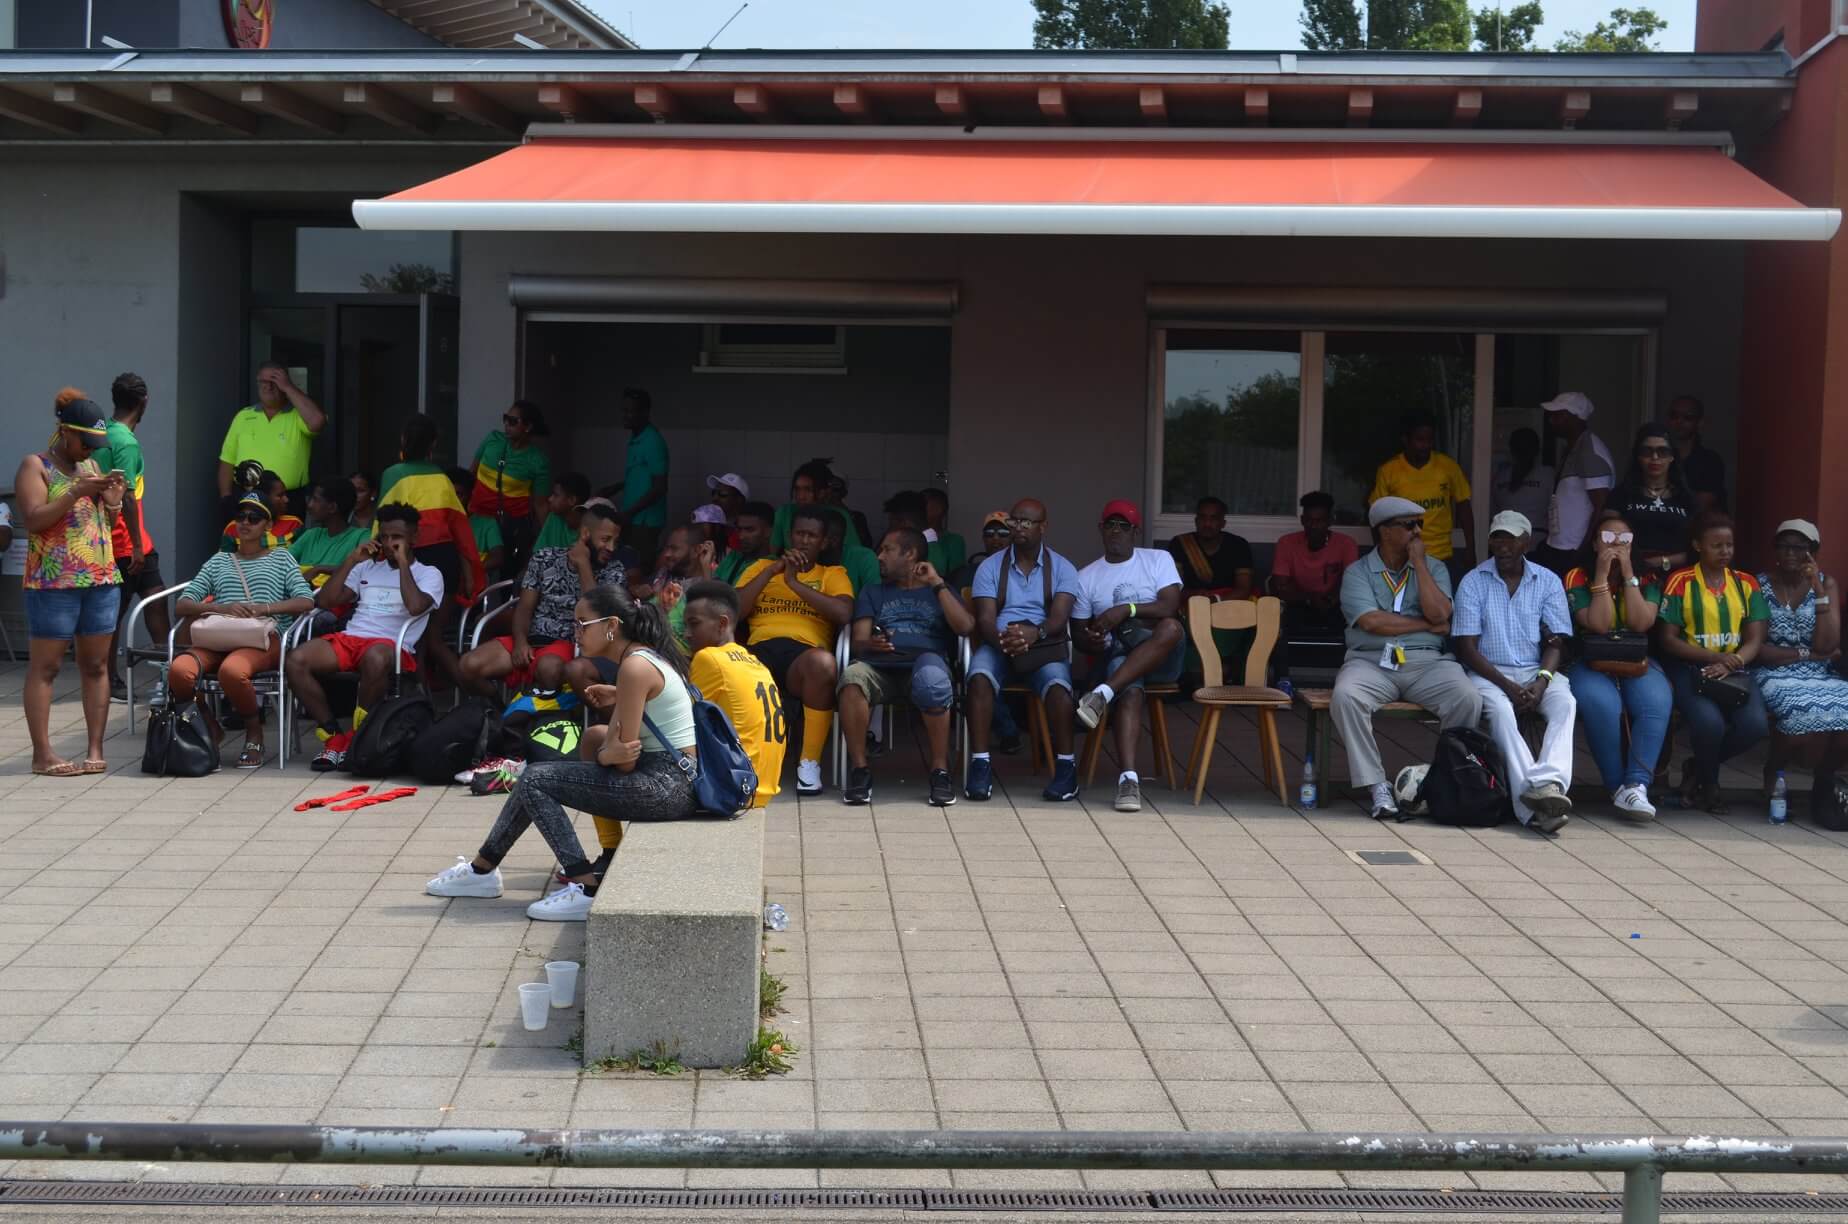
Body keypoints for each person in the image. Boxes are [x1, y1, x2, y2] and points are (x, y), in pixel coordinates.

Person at [424, 585, 698, 922]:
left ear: (611, 625)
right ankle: (482, 869)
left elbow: (623, 760)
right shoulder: (639, 660)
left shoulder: (634, 667)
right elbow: (617, 743)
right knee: (572, 752)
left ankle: (584, 887)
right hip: (670, 779)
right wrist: (613, 726)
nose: (576, 633)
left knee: (536, 779)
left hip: (664, 786)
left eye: (583, 624)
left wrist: (606, 754)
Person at [1332, 496, 1482, 820]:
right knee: (1345, 696)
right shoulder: (1358, 572)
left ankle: (1443, 780)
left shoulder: (1434, 567)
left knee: (1467, 697)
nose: (1417, 532)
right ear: (1384, 531)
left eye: (1420, 525)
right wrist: (1426, 625)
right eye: (1409, 525)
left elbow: (1441, 613)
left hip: (1428, 662)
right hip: (1371, 662)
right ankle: (1376, 785)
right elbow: (1372, 622)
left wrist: (1420, 565)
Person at [287, 503, 444, 772]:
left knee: (375, 657)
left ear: (414, 538)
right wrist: (351, 560)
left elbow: (416, 606)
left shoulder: (429, 574)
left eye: (397, 537)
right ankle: (334, 737)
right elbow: (325, 601)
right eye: (385, 536)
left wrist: (403, 563)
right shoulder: (367, 568)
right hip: (353, 638)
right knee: (296, 660)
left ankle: (358, 736)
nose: (390, 543)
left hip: (392, 645)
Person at [17, 390, 124, 777]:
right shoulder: (36, 466)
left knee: (95, 665)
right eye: (85, 442)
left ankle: (95, 748)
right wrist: (75, 492)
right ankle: (42, 755)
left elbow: (102, 525)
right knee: (46, 668)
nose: (90, 450)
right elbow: (33, 519)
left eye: (95, 444)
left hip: (101, 579)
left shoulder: (91, 465)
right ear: (65, 432)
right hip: (53, 583)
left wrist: (113, 502)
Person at [168, 492, 316, 770]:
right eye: (240, 517)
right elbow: (183, 604)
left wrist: (264, 608)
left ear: (268, 525)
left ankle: (254, 732)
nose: (245, 522)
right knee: (178, 672)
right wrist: (221, 608)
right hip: (219, 636)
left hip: (261, 638)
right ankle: (209, 726)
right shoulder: (219, 561)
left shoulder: (281, 558)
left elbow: (306, 601)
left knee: (232, 671)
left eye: (254, 517)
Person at [1452, 511, 1579, 834]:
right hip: (1488, 673)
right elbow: (1467, 649)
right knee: (1501, 714)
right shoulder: (1473, 581)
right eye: (1497, 538)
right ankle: (1536, 806)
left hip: (1536, 672)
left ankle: (1548, 784)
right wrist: (1508, 686)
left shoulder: (1547, 580)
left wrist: (1542, 681)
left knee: (1565, 703)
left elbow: (1557, 642)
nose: (1503, 546)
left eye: (1510, 539)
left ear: (1526, 542)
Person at [839, 527, 975, 807]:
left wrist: (937, 583)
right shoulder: (873, 591)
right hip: (880, 667)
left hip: (925, 663)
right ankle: (860, 770)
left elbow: (965, 627)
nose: (879, 557)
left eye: (887, 550)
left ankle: (940, 772)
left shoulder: (939, 590)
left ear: (910, 554)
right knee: (852, 678)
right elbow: (858, 643)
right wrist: (870, 644)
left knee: (933, 679)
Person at [1071, 500, 1186, 814]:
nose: (1116, 531)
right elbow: (1079, 634)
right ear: (1101, 529)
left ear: (1136, 531)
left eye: (1124, 526)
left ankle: (1102, 694)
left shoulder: (1157, 559)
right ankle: (1129, 781)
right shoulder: (1086, 577)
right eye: (1110, 524)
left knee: (1171, 627)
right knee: (1129, 688)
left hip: (1164, 659)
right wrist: (1092, 640)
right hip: (1118, 659)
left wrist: (1126, 609)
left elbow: (1169, 606)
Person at [966, 498, 1083, 803]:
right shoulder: (990, 567)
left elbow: (1058, 620)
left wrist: (1034, 634)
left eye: (1026, 522)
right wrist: (1008, 642)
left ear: (1043, 527)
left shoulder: (1063, 568)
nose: (1018, 527)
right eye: (1014, 521)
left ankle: (1066, 768)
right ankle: (980, 764)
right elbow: (985, 620)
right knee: (978, 678)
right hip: (1000, 641)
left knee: (1059, 688)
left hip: (1044, 644)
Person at [1656, 511, 1770, 813]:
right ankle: (1710, 787)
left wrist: (1731, 662)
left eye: (1729, 545)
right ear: (1697, 545)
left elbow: (1755, 639)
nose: (1725, 552)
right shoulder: (1680, 581)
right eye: (1716, 545)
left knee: (1755, 727)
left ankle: (1698, 767)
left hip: (1735, 670)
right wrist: (1714, 658)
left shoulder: (1746, 583)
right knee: (1709, 724)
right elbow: (1668, 639)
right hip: (1690, 669)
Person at [736, 506, 853, 796]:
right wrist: (771, 572)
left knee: (823, 664)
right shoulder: (760, 567)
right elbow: (734, 610)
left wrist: (793, 583)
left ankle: (809, 763)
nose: (804, 541)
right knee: (730, 665)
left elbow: (843, 613)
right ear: (790, 536)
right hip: (759, 650)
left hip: (804, 657)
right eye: (799, 534)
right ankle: (743, 761)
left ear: (823, 542)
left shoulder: (832, 574)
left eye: (812, 536)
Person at [1563, 511, 1670, 821]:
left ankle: (1637, 785)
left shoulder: (1648, 578)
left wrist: (1627, 575)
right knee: (1603, 705)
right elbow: (1599, 624)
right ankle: (1616, 788)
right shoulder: (1576, 576)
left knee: (1656, 702)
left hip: (1633, 657)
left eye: (1624, 540)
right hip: (1588, 659)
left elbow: (1641, 623)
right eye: (1608, 538)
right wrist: (1600, 576)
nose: (1616, 545)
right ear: (1595, 544)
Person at [462, 502, 626, 700]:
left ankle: (533, 715)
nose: (611, 548)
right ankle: (500, 712)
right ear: (585, 534)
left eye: (616, 542)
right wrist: (520, 642)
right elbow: (524, 608)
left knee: (549, 668)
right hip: (532, 639)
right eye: (606, 539)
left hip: (570, 646)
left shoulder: (614, 572)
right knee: (468, 665)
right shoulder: (545, 559)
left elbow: (597, 615)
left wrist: (583, 565)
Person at [378, 415, 486, 689]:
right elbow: (460, 529)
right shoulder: (441, 477)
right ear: (433, 444)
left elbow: (382, 525)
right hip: (444, 561)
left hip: (408, 559)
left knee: (413, 639)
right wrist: (469, 572)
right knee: (432, 639)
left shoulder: (392, 474)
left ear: (403, 440)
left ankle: (428, 696)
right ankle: (480, 694)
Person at [1755, 519, 1848, 796]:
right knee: (1801, 725)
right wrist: (1809, 654)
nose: (1791, 553)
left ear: (1813, 552)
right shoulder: (1758, 585)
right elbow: (1760, 649)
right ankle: (1774, 769)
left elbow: (1828, 643)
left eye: (1799, 548)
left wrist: (1817, 590)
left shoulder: (1826, 584)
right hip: (1773, 672)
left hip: (1822, 674)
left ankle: (1824, 778)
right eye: (1784, 546)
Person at [96, 373, 169, 704]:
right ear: (144, 401)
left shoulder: (108, 432)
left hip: (136, 539)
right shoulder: (124, 442)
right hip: (124, 542)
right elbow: (125, 495)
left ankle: (168, 674)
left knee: (156, 598)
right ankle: (109, 681)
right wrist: (137, 546)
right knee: (115, 613)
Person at [686, 580, 787, 809]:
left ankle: (611, 840)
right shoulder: (755, 662)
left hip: (732, 788)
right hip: (762, 788)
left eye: (694, 624)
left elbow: (683, 725)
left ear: (722, 624)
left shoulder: (709, 658)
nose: (687, 633)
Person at [1370, 414, 1476, 577]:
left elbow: (1464, 507)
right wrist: (1382, 552)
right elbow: (1376, 514)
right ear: (1406, 440)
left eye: (1429, 440)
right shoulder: (1389, 471)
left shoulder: (1448, 467)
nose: (1425, 445)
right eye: (1420, 439)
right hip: (1403, 558)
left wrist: (1471, 549)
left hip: (1441, 557)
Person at [1270, 491, 1360, 679]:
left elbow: (1352, 582)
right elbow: (1280, 587)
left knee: (1357, 621)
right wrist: (1310, 598)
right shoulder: (1287, 542)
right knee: (1276, 624)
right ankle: (1283, 681)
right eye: (1309, 520)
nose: (1314, 526)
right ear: (1302, 520)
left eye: (1319, 521)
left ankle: (1350, 679)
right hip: (1298, 603)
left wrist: (1332, 599)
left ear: (1330, 521)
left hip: (1334, 604)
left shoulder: (1346, 544)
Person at [216, 362, 326, 508]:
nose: (268, 386)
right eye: (263, 381)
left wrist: (289, 387)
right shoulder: (243, 416)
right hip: (246, 496)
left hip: (287, 499)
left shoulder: (299, 415)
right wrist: (226, 498)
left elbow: (318, 422)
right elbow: (227, 460)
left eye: (274, 381)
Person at [468, 399, 551, 578]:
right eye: (505, 418)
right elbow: (471, 474)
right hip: (478, 519)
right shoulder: (493, 439)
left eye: (513, 421)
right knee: (473, 571)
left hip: (510, 527)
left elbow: (541, 504)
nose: (506, 424)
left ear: (528, 427)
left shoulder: (537, 461)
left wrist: (549, 540)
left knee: (507, 576)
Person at [1606, 422, 1698, 580]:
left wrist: (1659, 562)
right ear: (1638, 456)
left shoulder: (1686, 498)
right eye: (1647, 451)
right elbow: (1607, 537)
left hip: (1677, 579)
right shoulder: (1621, 495)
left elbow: (1699, 547)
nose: (1655, 457)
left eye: (1662, 451)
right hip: (1630, 575)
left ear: (1672, 456)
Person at [1539, 391, 1615, 573]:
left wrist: (1586, 549)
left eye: (1559, 415)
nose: (1552, 420)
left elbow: (1601, 505)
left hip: (1574, 548)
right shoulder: (1574, 447)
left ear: (1576, 417)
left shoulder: (1589, 451)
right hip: (1559, 545)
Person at [614, 388, 668, 567]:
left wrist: (629, 513)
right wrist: (614, 488)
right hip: (632, 519)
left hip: (644, 522)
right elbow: (640, 479)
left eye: (631, 411)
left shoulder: (653, 441)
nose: (625, 416)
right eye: (624, 410)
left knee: (638, 569)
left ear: (645, 412)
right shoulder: (636, 438)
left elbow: (660, 487)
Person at [1168, 496, 1254, 600]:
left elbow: (1244, 589)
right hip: (1190, 604)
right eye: (1202, 518)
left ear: (1223, 523)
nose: (1207, 524)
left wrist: (1215, 599)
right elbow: (1171, 589)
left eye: (1214, 518)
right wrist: (1195, 595)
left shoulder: (1238, 545)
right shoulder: (1179, 544)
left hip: (1228, 604)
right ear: (1196, 521)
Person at [290, 479, 369, 590]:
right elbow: (281, 563)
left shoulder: (362, 536)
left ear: (332, 507)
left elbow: (364, 571)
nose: (310, 505)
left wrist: (319, 569)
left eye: (315, 500)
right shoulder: (311, 534)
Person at [1491, 427, 1553, 553]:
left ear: (1511, 450)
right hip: (1538, 542)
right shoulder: (1548, 475)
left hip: (1506, 544)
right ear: (1537, 450)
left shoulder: (1500, 476)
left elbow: (1492, 511)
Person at [1666, 394, 1728, 512]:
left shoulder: (1710, 461)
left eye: (1687, 417)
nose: (1679, 421)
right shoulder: (1658, 457)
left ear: (1700, 422)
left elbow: (1700, 506)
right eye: (1674, 416)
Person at [218, 470, 301, 551]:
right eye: (280, 495)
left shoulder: (294, 524)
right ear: (265, 497)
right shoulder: (233, 528)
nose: (286, 500)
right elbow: (224, 559)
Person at [450, 467, 506, 581]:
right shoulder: (439, 522)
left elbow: (498, 557)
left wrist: (471, 572)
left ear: (469, 495)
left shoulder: (487, 523)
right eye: (450, 494)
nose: (454, 499)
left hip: (476, 582)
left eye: (459, 494)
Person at [716, 500, 777, 585]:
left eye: (749, 530)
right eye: (739, 529)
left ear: (768, 531)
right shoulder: (733, 557)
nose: (741, 536)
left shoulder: (775, 567)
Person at [953, 511, 1012, 592]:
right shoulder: (966, 574)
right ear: (983, 539)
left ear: (1013, 538)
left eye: (1003, 533)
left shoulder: (1021, 573)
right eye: (989, 533)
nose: (995, 538)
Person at [533, 472, 592, 551]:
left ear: (572, 500)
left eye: (556, 495)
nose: (550, 499)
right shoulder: (554, 517)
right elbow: (538, 553)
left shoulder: (589, 527)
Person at [923, 487, 967, 578]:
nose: (918, 510)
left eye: (923, 505)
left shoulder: (954, 540)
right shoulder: (913, 537)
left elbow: (956, 577)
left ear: (938, 509)